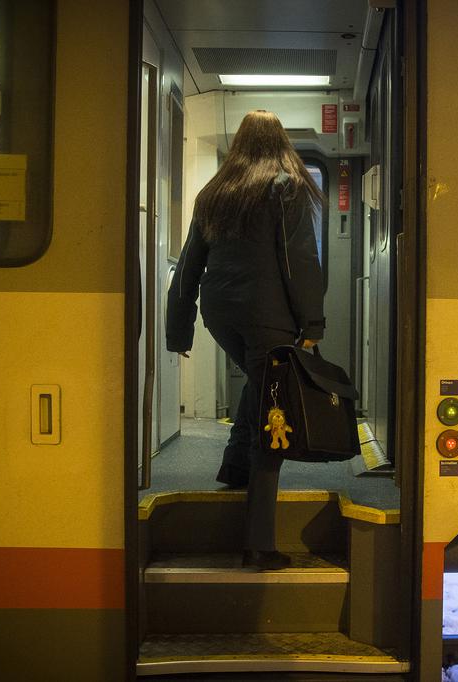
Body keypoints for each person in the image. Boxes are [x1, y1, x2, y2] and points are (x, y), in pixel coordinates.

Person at [165, 110, 326, 570]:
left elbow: (189, 266)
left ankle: (233, 470)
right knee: (275, 420)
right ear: (280, 142)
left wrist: (179, 328)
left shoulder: (215, 192)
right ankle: (259, 545)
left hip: (221, 315)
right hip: (266, 317)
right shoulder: (286, 185)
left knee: (261, 387)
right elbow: (300, 262)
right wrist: (312, 324)